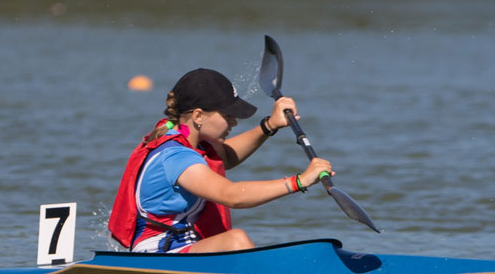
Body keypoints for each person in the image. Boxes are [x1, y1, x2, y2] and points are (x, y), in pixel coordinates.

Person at [108, 68, 333, 253]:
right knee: (235, 240)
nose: (234, 122)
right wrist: (298, 182)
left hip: (182, 246)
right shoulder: (176, 158)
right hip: (158, 252)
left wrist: (270, 125)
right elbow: (232, 196)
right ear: (198, 116)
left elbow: (224, 157)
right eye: (228, 115)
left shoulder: (180, 137)